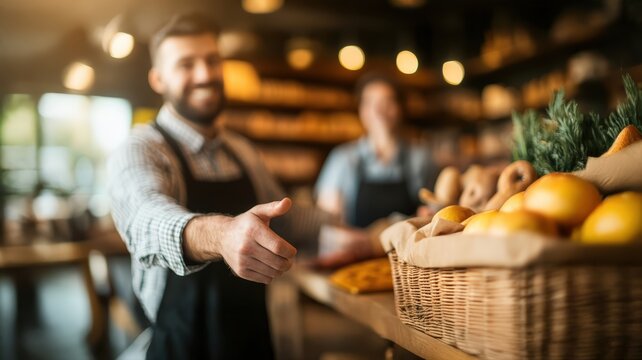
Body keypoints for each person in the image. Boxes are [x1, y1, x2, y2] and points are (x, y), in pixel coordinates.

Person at [108, 13, 371, 359]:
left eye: (212, 61)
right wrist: (222, 235)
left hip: (252, 343)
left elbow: (287, 218)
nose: (204, 74)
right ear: (158, 79)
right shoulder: (141, 148)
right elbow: (146, 220)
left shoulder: (241, 150)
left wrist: (354, 233)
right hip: (182, 347)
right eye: (186, 64)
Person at [315, 73, 439, 227]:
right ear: (361, 110)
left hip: (407, 249)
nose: (379, 111)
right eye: (370, 103)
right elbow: (328, 222)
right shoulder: (342, 159)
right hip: (358, 249)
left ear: (401, 108)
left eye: (387, 102)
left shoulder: (421, 159)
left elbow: (435, 210)